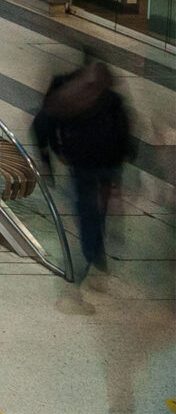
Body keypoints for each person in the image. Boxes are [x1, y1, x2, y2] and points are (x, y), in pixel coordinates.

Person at [34, 59, 135, 282]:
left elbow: (123, 133)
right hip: (92, 165)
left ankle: (93, 251)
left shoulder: (95, 99)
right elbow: (43, 123)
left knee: (91, 208)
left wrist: (52, 153)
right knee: (92, 208)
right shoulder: (82, 99)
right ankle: (94, 252)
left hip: (95, 164)